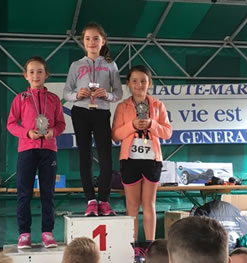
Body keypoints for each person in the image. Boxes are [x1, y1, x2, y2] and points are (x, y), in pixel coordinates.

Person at [111, 65, 172, 258]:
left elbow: (167, 132)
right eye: (135, 81)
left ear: (150, 83)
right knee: (132, 205)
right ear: (128, 84)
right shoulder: (122, 106)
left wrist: (152, 124)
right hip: (130, 160)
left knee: (149, 204)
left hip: (152, 160)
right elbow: (115, 135)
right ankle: (134, 247)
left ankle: (151, 247)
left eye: (143, 81)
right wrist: (132, 125)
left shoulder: (158, 106)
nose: (139, 85)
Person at [63, 22, 123, 216]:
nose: (92, 42)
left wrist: (107, 95)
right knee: (85, 157)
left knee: (106, 157)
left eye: (96, 38)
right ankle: (90, 200)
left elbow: (119, 93)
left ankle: (104, 200)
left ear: (103, 41)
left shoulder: (110, 65)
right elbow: (66, 91)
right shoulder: (76, 65)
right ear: (83, 42)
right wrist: (76, 95)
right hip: (80, 112)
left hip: (101, 112)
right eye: (88, 38)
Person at [7, 56, 66, 249]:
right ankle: (24, 233)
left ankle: (47, 233)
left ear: (46, 74)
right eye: (31, 72)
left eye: (40, 71)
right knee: (24, 193)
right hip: (26, 150)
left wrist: (52, 132)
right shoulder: (20, 99)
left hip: (48, 150)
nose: (36, 75)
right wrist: (26, 133)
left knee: (48, 193)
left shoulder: (54, 99)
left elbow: (61, 124)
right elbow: (11, 124)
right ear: (25, 76)